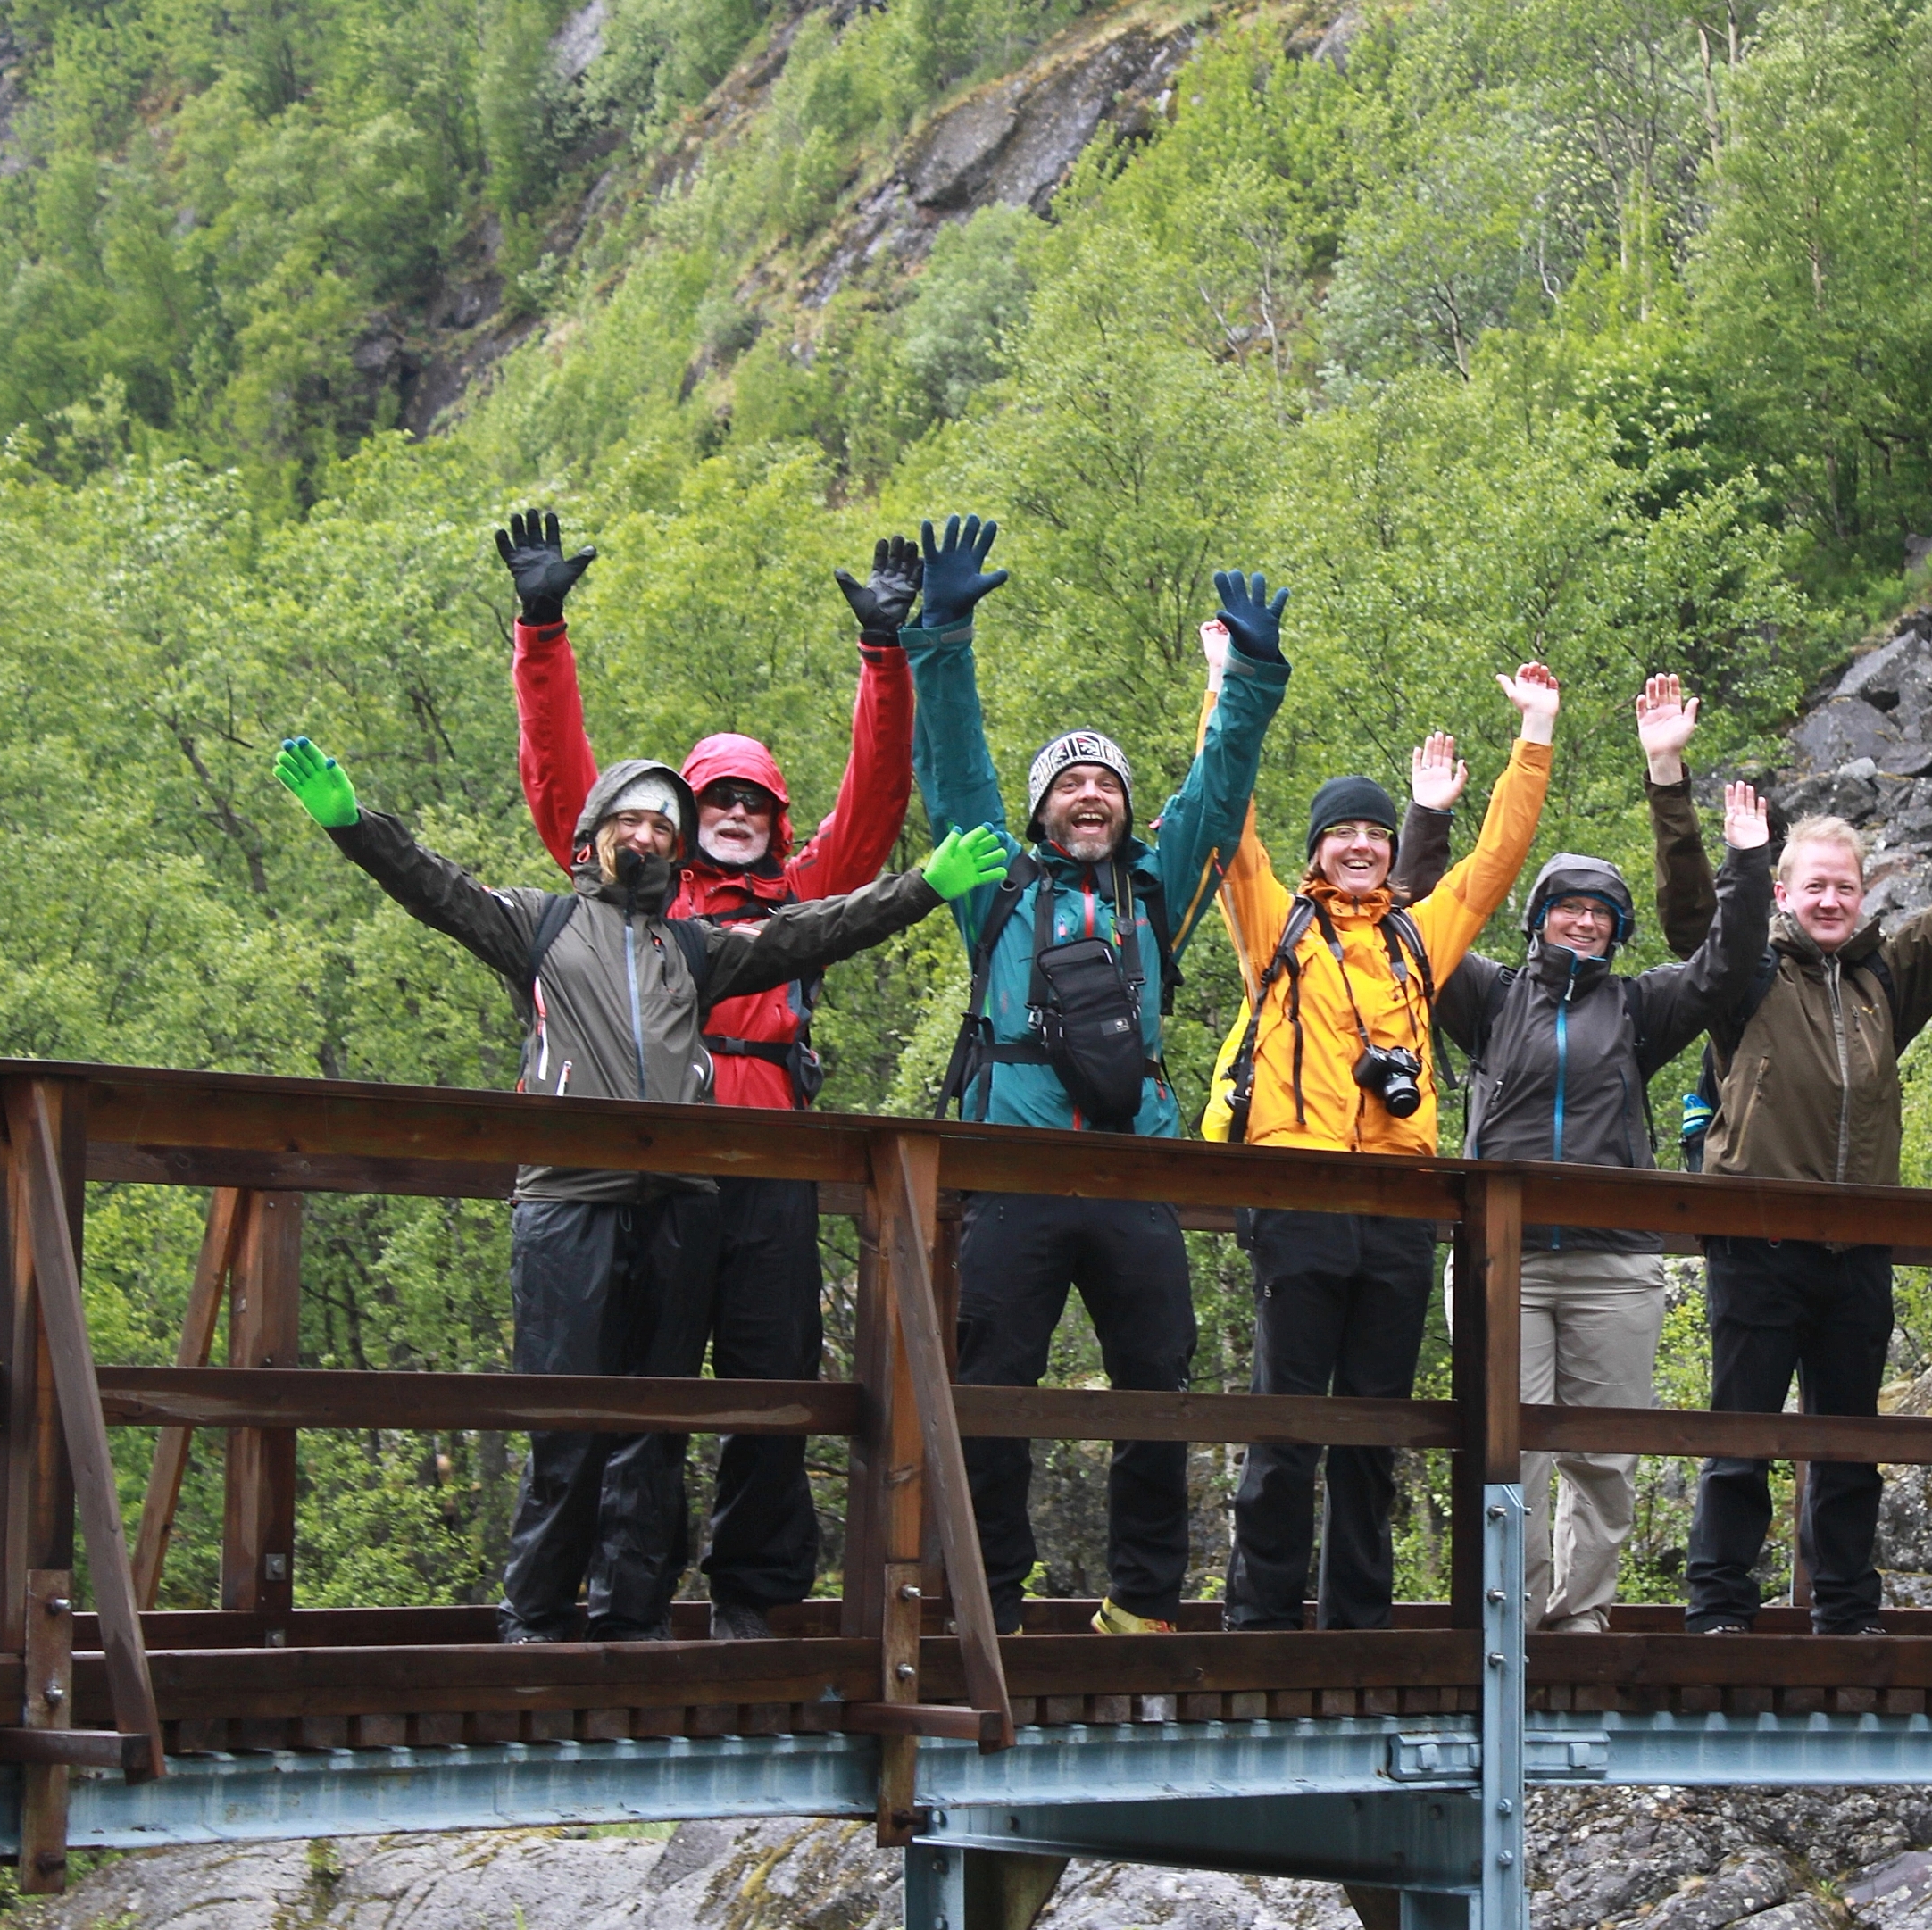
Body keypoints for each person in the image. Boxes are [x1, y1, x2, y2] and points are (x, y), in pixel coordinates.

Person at [269, 736, 1003, 1642]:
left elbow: (813, 930)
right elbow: (433, 886)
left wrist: (923, 885)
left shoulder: (694, 950)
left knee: (656, 1422)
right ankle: (535, 1614)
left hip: (675, 1209)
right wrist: (353, 823)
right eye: (630, 819)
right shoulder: (535, 926)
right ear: (592, 837)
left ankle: (634, 1614)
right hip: (567, 1202)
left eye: (663, 824)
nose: (646, 836)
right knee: (564, 1417)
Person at [498, 509, 921, 1641]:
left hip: (772, 1153)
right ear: (680, 822)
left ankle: (757, 1597)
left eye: (755, 803)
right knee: (643, 1383)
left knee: (773, 1375)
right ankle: (621, 1595)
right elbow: (563, 784)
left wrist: (886, 658)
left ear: (776, 823)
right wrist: (541, 628)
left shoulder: (804, 891)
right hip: (655, 1168)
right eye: (716, 800)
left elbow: (877, 802)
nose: (736, 813)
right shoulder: (639, 892)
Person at [909, 520, 1289, 1637]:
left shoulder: (1155, 889)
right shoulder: (997, 884)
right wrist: (943, 635)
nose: (1090, 797)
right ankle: (992, 1603)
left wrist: (1253, 677)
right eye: (1069, 785)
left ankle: (1142, 1603)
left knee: (1156, 1395)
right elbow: (957, 763)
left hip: (1133, 1169)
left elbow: (1220, 788)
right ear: (1037, 810)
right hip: (1017, 1174)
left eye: (1105, 784)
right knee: (993, 1397)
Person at [1683, 714, 1932, 1635]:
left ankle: (1846, 1611)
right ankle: (1719, 1607)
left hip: (1855, 1252)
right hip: (1758, 1243)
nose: (1831, 900)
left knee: (1851, 1444)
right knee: (1742, 1436)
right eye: (1815, 886)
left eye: (1844, 887)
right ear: (1782, 891)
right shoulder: (1745, 974)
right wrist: (1669, 787)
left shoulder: (1884, 977)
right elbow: (1691, 909)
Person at [1424, 674, 1773, 1633]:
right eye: (1566, 908)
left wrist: (1743, 857)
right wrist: (1431, 818)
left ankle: (1578, 1621)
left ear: (1617, 929)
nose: (1584, 921)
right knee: (1511, 1451)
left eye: (1601, 912)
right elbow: (1422, 928)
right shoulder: (1491, 999)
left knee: (1605, 1452)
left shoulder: (1639, 1007)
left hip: (1616, 1261)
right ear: (1536, 920)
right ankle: (1507, 1612)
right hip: (1506, 1258)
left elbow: (1727, 966)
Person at [1215, 664, 1561, 1631]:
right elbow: (1229, 827)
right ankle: (1262, 1616)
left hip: (1403, 1213)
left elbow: (1494, 863)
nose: (1363, 844)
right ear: (1318, 849)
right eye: (1343, 833)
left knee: (1379, 1425)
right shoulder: (1273, 929)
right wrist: (1224, 688)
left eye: (1375, 831)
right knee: (1288, 1417)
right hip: (1300, 1198)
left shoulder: (1419, 938)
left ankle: (1358, 1620)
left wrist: (1533, 735)